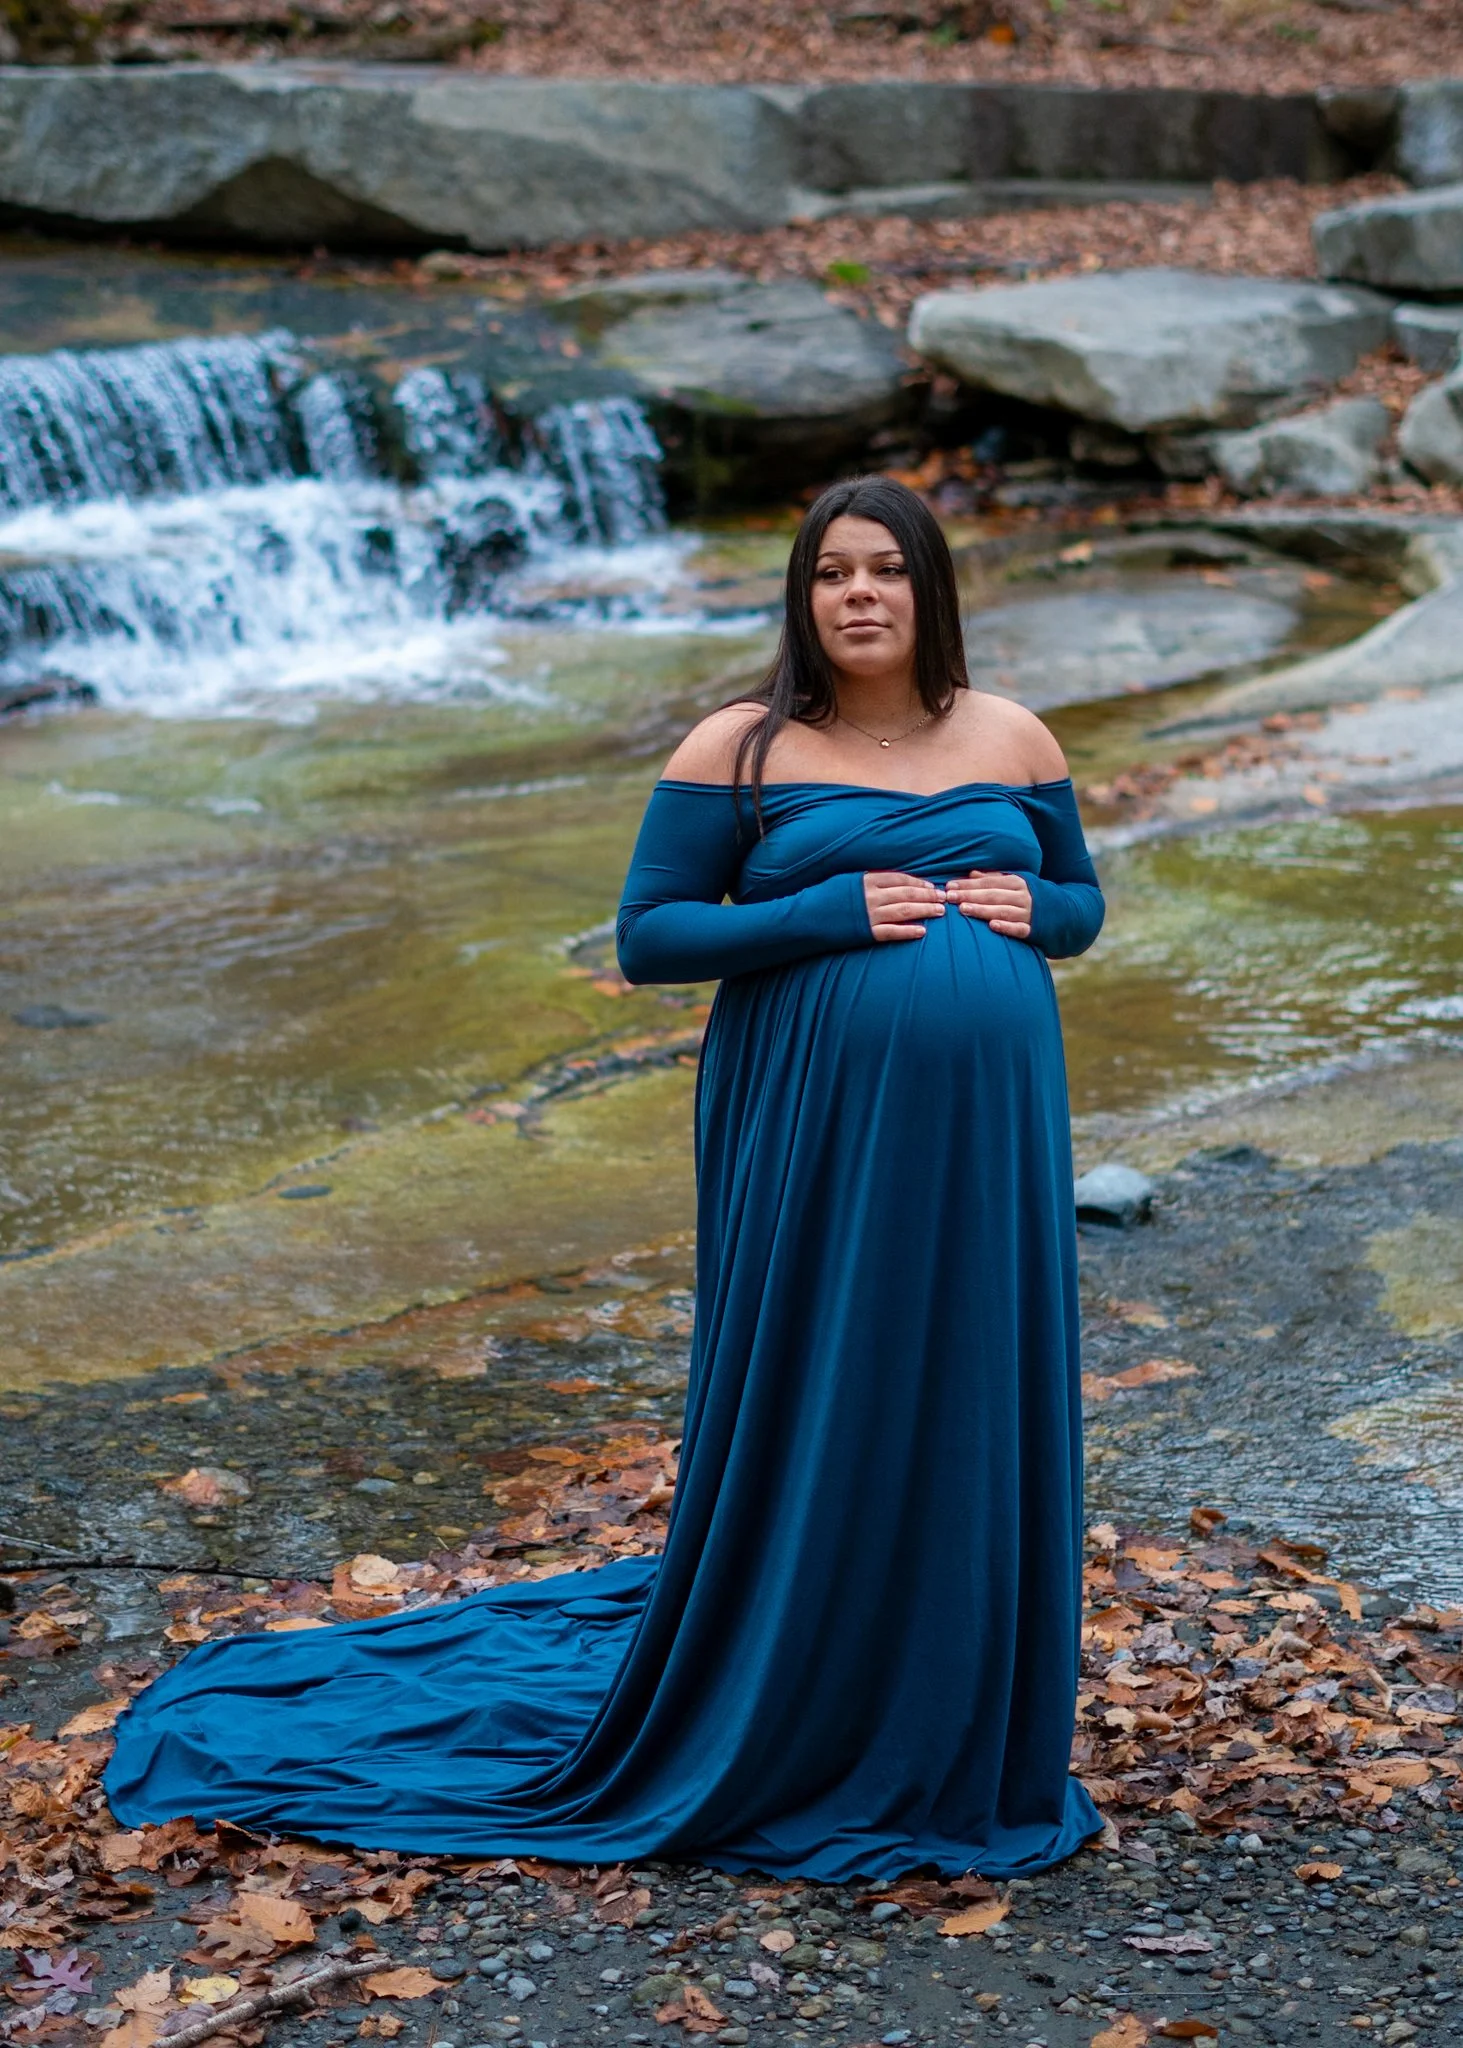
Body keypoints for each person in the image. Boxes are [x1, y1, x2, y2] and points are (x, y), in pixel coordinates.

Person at [105, 475, 1105, 1881]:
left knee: (967, 1380)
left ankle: (955, 1694)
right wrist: (826, 912)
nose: (859, 595)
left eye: (884, 570)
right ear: (800, 599)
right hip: (812, 1119)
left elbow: (1076, 904)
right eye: (831, 575)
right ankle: (802, 1674)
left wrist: (1038, 909)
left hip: (989, 1130)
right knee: (839, 1369)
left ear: (929, 590)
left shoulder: (1013, 736)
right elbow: (650, 937)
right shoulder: (737, 746)